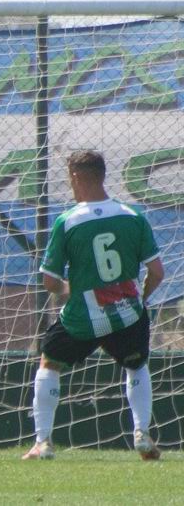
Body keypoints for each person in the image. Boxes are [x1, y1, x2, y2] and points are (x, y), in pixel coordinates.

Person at [23, 150, 165, 461]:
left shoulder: (69, 221)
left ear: (76, 177)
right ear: (102, 176)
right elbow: (156, 272)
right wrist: (141, 298)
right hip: (127, 313)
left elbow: (49, 282)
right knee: (136, 366)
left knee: (50, 363)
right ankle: (142, 432)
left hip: (82, 317)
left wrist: (68, 288)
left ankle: (43, 442)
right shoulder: (132, 216)